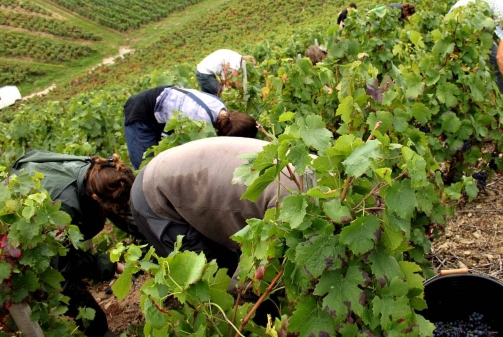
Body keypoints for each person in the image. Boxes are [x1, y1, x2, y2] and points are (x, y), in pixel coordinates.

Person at [11, 151, 139, 337]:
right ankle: (100, 332)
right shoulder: (65, 209)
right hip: (24, 209)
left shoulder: (101, 171)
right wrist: (111, 266)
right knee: (65, 280)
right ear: (95, 198)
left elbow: (121, 211)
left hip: (45, 183)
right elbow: (64, 266)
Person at [129, 137, 298, 274]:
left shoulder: (312, 168)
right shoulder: (291, 207)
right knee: (206, 274)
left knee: (229, 263)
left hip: (175, 167)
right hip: (154, 195)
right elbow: (252, 276)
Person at [123, 86, 257, 170]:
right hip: (140, 114)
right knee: (147, 169)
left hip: (161, 108)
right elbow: (180, 147)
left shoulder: (221, 108)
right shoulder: (199, 122)